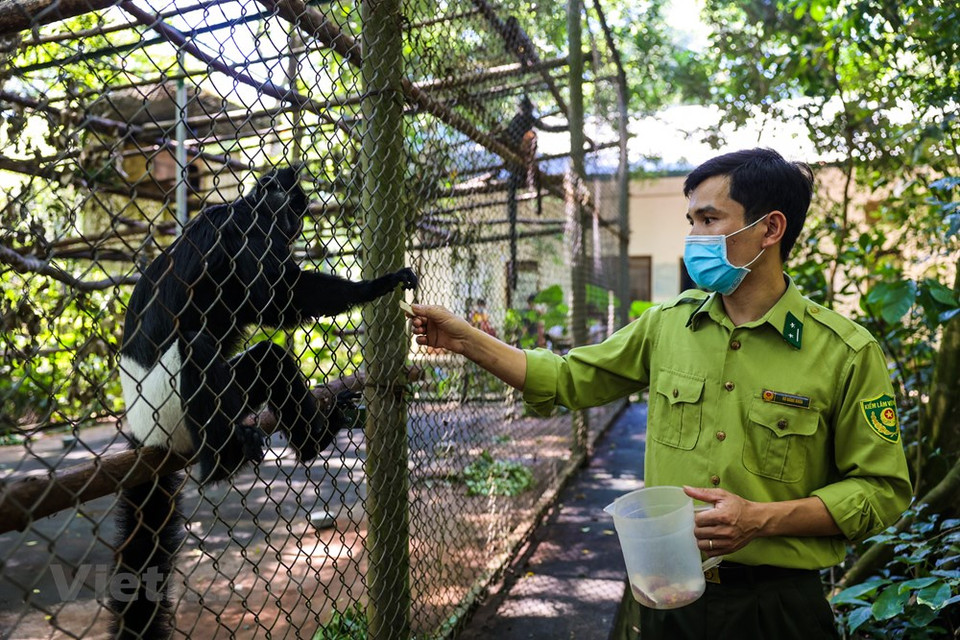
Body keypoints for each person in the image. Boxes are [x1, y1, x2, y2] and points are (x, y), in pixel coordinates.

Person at [408, 148, 912, 640]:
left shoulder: (844, 352)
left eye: (710, 220)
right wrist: (464, 340)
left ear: (770, 229)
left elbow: (882, 490)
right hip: (669, 597)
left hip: (776, 607)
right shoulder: (668, 326)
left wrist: (762, 520)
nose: (694, 237)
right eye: (690, 220)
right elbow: (566, 379)